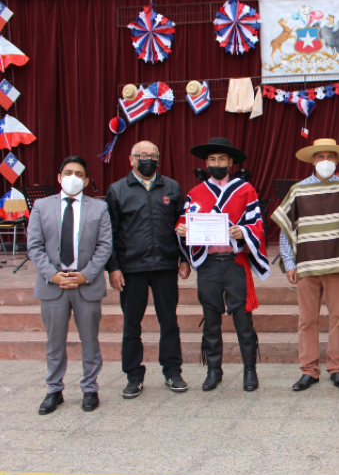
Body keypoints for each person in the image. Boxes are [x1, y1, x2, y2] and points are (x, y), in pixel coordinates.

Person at [176, 137, 271, 392]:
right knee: (210, 320)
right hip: (208, 264)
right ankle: (214, 370)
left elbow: (257, 224)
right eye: (211, 159)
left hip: (234, 262)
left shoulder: (245, 190)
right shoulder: (195, 193)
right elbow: (183, 222)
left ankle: (250, 370)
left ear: (230, 162)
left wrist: (243, 232)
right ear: (206, 163)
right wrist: (182, 229)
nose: (216, 163)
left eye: (221, 159)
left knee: (243, 321)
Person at [105, 141, 191, 399]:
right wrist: (113, 268)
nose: (147, 160)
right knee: (131, 324)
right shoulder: (117, 190)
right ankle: (133, 375)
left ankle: (172, 371)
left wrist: (184, 259)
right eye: (142, 156)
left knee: (169, 321)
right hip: (131, 268)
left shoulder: (172, 187)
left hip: (165, 265)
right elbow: (109, 232)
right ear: (131, 160)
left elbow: (182, 225)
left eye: (152, 156)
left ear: (158, 159)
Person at [272, 138, 339, 391]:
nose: (325, 162)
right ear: (312, 160)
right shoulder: (298, 190)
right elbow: (287, 229)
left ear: (337, 160)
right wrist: (289, 263)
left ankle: (337, 367)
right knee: (307, 320)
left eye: (330, 157)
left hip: (337, 265)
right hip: (306, 266)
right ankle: (309, 370)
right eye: (320, 157)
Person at [28, 156, 112, 413]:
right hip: (53, 285)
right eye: (68, 172)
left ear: (86, 180)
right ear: (59, 177)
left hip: (85, 284)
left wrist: (85, 275)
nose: (73, 177)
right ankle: (54, 389)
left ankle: (90, 388)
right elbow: (34, 246)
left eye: (78, 174)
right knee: (54, 342)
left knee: (90, 340)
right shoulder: (41, 206)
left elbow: (104, 246)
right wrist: (52, 275)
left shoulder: (99, 208)